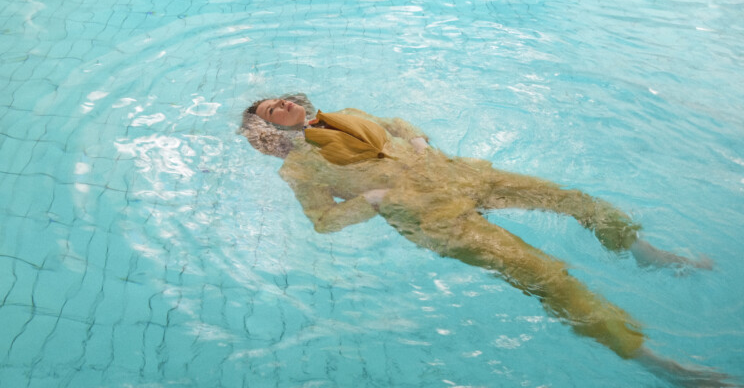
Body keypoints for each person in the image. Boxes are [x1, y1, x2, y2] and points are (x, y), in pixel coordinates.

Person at [240, 94, 730, 386]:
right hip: (433, 219)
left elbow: (400, 124)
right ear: (266, 127)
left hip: (460, 177)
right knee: (546, 277)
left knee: (575, 200)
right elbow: (324, 222)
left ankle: (646, 254)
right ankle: (658, 365)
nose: (282, 102)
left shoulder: (350, 112)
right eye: (271, 108)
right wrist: (369, 199)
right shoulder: (299, 167)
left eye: (282, 98)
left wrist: (419, 140)